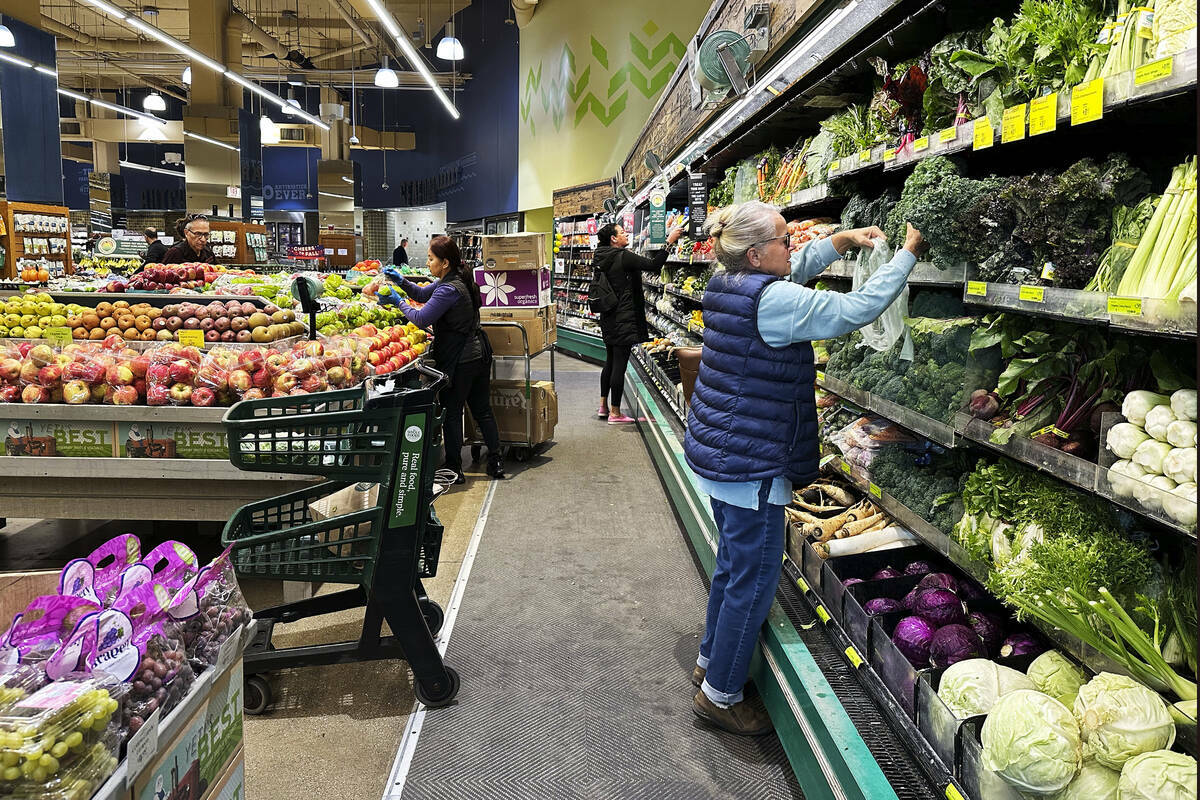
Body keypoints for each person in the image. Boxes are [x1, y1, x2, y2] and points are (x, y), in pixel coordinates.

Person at [683, 200, 924, 736]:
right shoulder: (773, 300)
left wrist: (839, 243)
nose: (792, 248)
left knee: (732, 567)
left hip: (723, 451)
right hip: (754, 461)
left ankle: (709, 659)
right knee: (755, 579)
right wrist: (907, 253)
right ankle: (720, 695)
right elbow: (857, 308)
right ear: (755, 253)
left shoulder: (727, 282)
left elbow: (791, 268)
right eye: (783, 240)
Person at [384, 236, 505, 483]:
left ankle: (454, 468)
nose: (428, 263)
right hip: (479, 354)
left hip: (461, 359)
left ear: (445, 262)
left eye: (431, 259)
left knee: (452, 412)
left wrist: (398, 302)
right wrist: (402, 282)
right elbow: (422, 292)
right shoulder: (456, 279)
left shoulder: (449, 289)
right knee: (482, 410)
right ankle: (496, 461)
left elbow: (420, 318)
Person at [593, 222, 683, 423]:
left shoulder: (601, 256)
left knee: (610, 361)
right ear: (614, 239)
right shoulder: (622, 256)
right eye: (622, 232)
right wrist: (669, 242)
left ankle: (603, 406)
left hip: (608, 315)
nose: (626, 234)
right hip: (624, 316)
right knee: (620, 364)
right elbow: (653, 265)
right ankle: (615, 413)